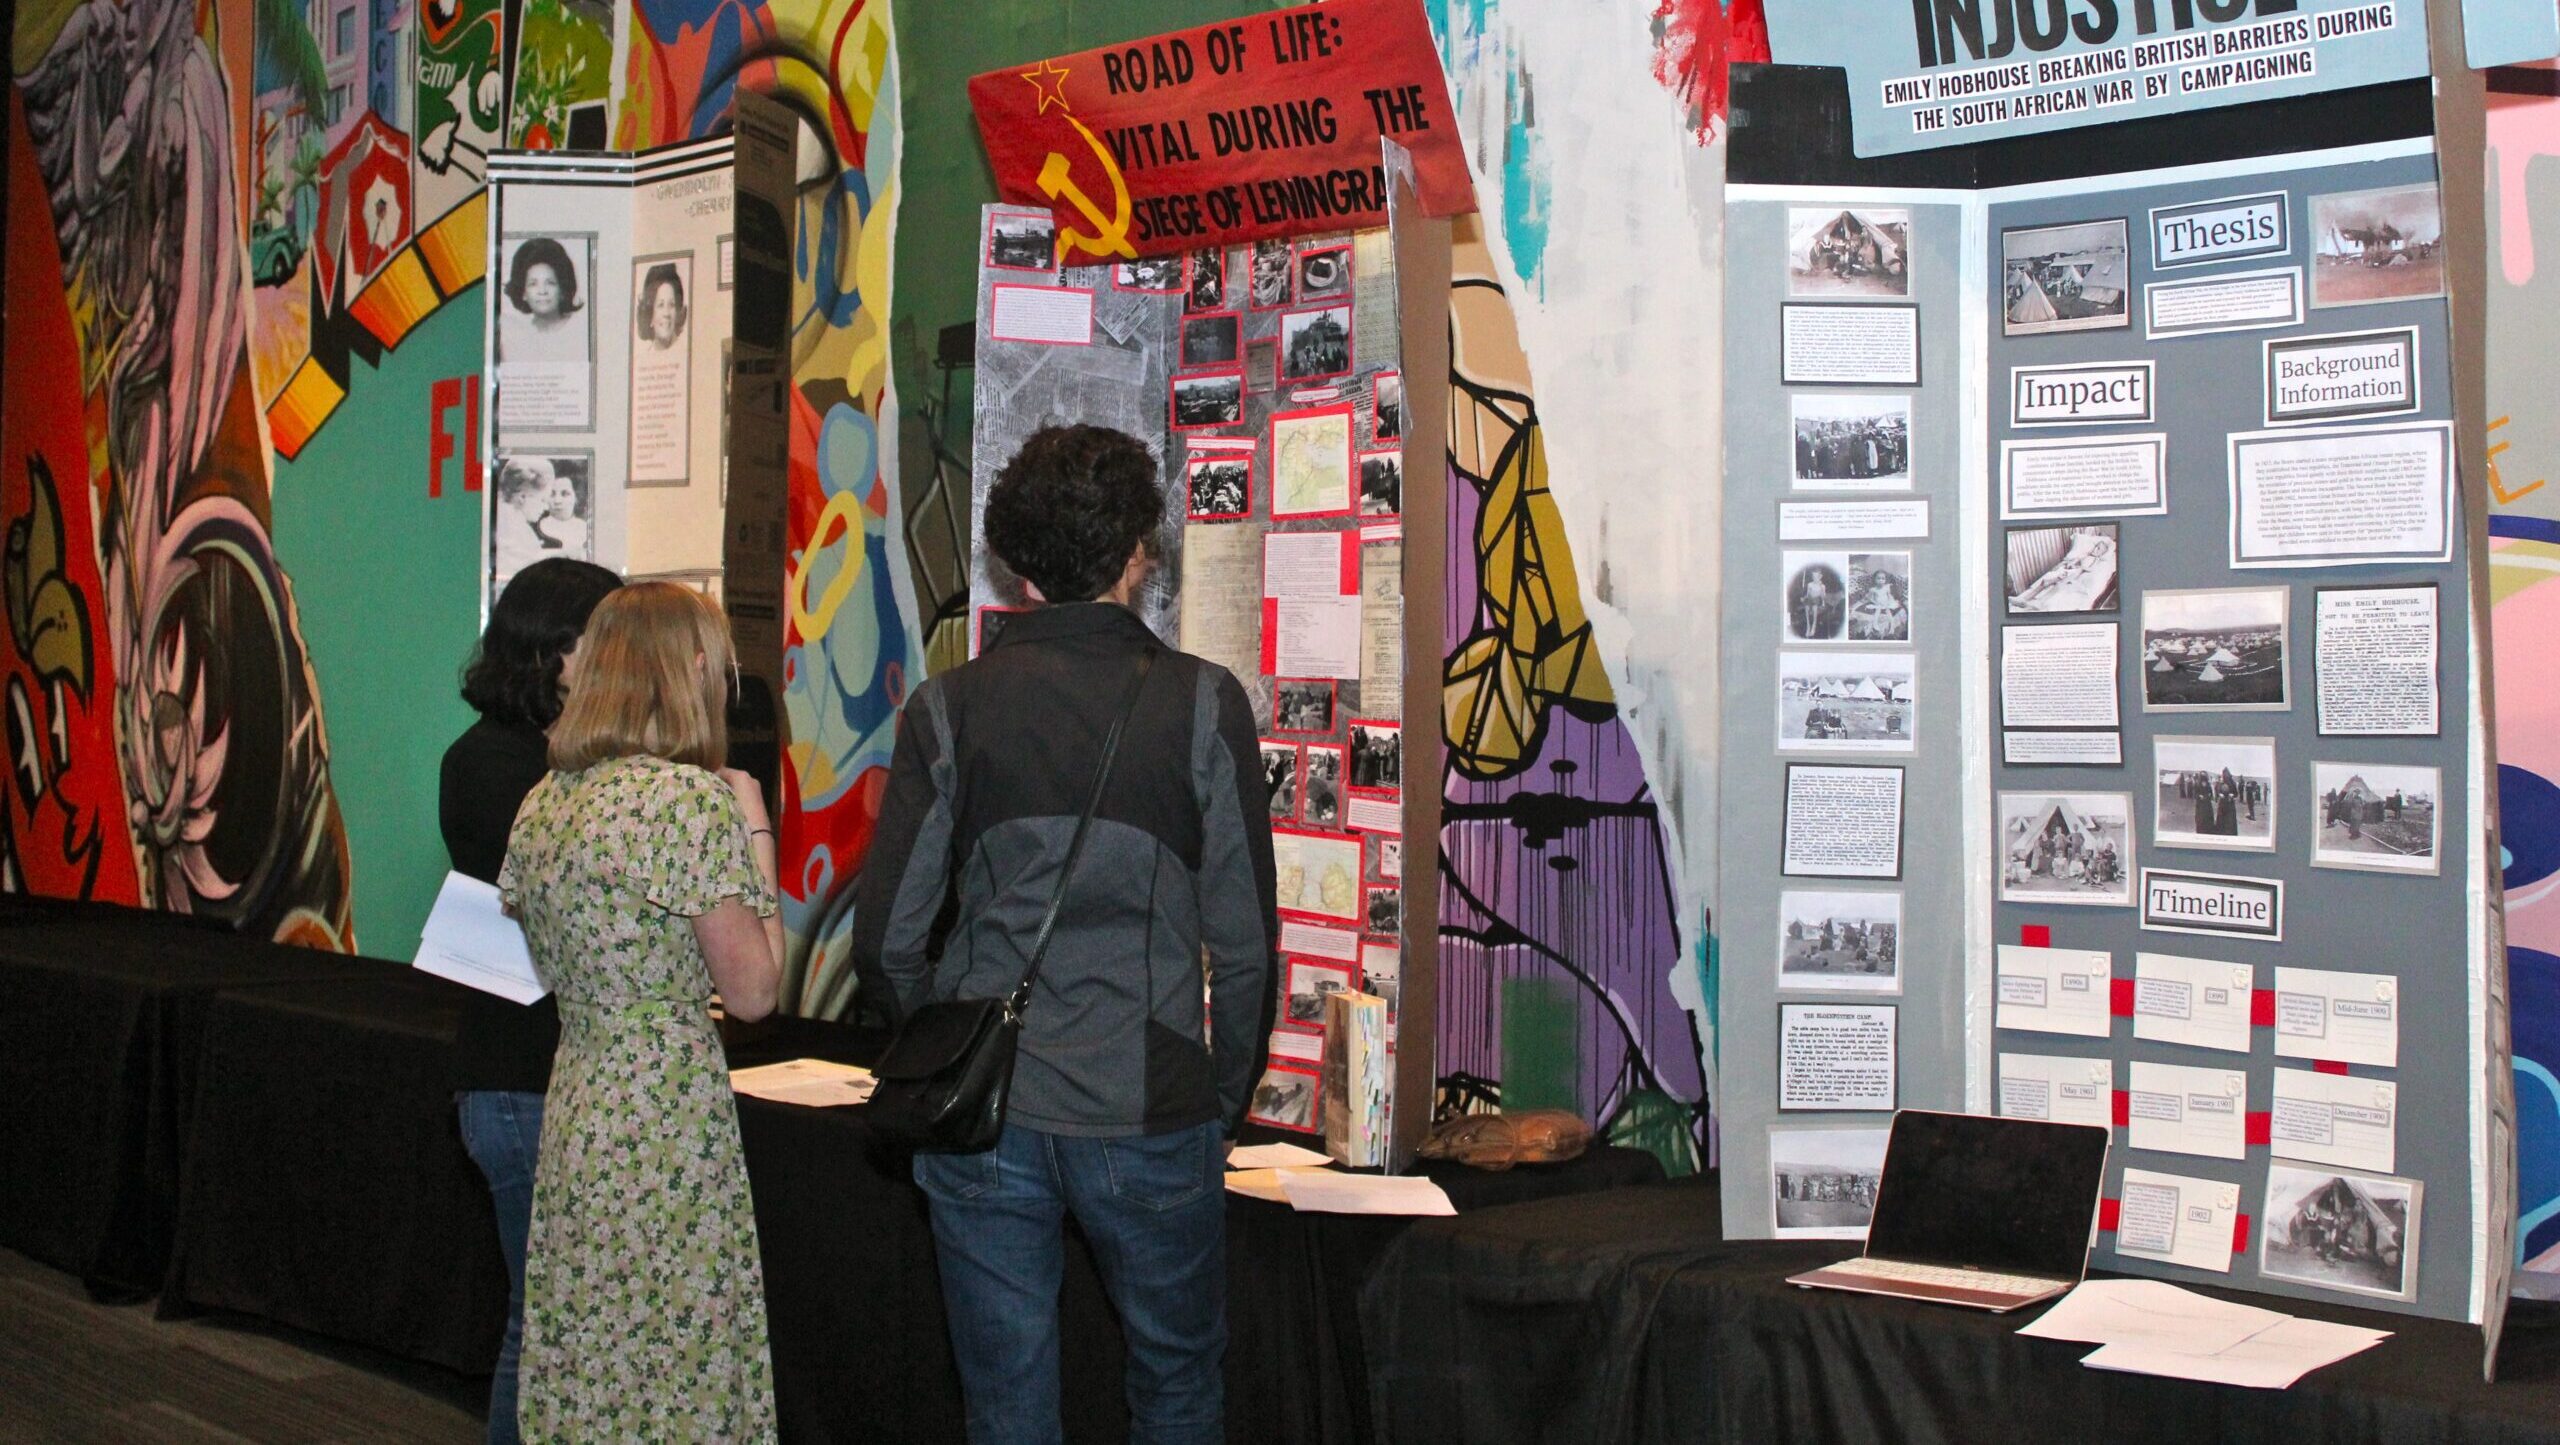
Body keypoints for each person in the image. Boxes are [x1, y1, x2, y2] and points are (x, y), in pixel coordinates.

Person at [852, 424, 1277, 1445]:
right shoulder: (1202, 703)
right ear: (1139, 551)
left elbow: (887, 941)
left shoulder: (947, 707)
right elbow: (1248, 945)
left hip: (986, 1112)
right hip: (1153, 1104)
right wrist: (1217, 1099)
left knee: (1005, 1404)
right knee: (1175, 1388)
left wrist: (944, 1041)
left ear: (1016, 560)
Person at [501, 582, 784, 1441]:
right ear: (692, 669)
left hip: (581, 1096)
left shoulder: (545, 801)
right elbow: (756, 990)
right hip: (664, 1109)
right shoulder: (688, 804)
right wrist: (755, 829)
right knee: (679, 1354)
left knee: (594, 1349)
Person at [441, 559, 622, 1445]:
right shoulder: (498, 767)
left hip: (539, 1074)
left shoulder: (536, 763)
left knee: (553, 1318)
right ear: (553, 650)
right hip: (522, 1074)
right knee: (544, 1320)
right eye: (604, 640)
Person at [501, 237, 586, 364]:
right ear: (523, 293)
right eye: (533, 284)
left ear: (562, 289)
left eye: (550, 283)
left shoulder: (579, 332)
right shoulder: (516, 336)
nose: (542, 291)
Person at [636, 262, 688, 350]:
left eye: (671, 305)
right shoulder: (644, 358)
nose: (666, 313)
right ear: (650, 313)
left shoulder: (684, 350)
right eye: (660, 305)